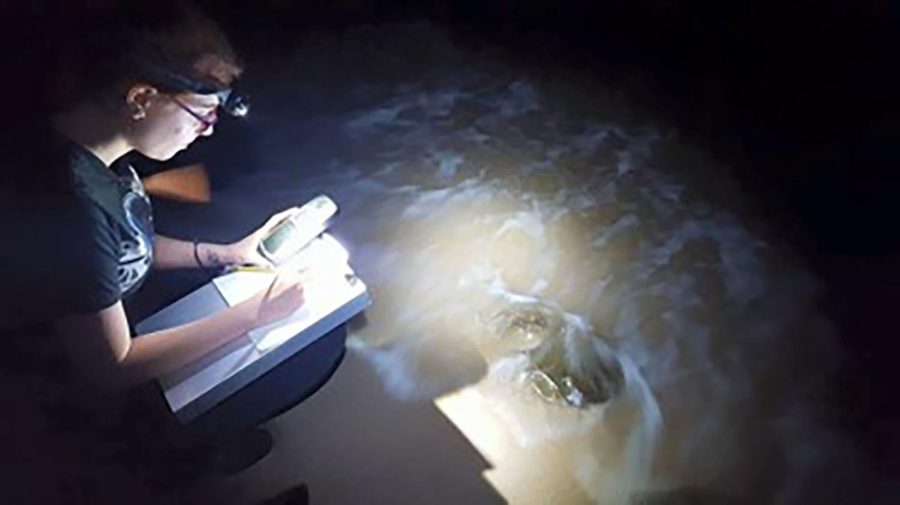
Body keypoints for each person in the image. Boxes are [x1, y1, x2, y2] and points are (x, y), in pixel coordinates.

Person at [0, 3, 332, 502]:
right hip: (63, 395)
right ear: (141, 98)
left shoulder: (85, 150)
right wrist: (259, 313)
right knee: (313, 353)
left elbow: (125, 244)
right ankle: (166, 459)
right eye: (204, 111)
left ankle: (186, 450)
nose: (211, 128)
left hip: (105, 316)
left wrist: (226, 252)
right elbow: (111, 366)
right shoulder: (64, 213)